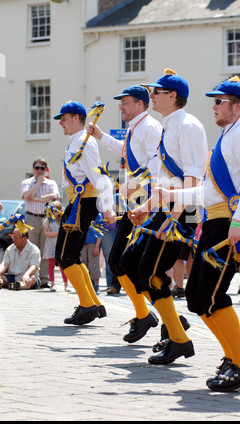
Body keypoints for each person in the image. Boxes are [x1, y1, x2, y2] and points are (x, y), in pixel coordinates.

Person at [158, 76, 240, 390]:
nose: (214, 106)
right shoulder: (228, 136)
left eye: (219, 101)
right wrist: (172, 196)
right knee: (196, 296)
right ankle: (233, 357)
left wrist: (238, 221)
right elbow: (208, 192)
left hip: (233, 223)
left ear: (238, 106)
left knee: (212, 295)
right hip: (218, 222)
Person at [125, 69, 208, 365]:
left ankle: (178, 337)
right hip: (166, 208)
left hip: (181, 210)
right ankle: (175, 331)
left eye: (157, 92)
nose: (152, 96)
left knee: (150, 273)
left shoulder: (188, 125)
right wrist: (146, 206)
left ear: (173, 96)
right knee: (136, 267)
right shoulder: (169, 125)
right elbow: (165, 178)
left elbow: (193, 179)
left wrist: (173, 218)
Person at [88, 85, 163, 342]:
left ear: (140, 104)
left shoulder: (150, 127)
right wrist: (101, 136)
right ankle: (148, 315)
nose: (121, 106)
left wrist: (139, 189)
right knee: (120, 261)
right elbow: (127, 152)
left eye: (125, 102)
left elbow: (157, 162)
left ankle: (159, 317)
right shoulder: (136, 128)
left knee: (128, 262)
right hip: (134, 200)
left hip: (145, 200)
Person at [53, 100, 116, 325]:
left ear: (77, 118)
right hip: (78, 203)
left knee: (64, 255)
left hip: (82, 204)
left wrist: (108, 208)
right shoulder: (76, 142)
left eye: (64, 117)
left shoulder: (85, 142)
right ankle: (93, 303)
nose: (60, 122)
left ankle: (88, 305)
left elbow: (101, 178)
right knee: (71, 254)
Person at [21, 157, 60, 287]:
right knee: (32, 248)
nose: (39, 170)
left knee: (45, 249)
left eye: (42, 168)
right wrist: (38, 184)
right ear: (33, 169)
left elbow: (55, 196)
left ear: (45, 169)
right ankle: (31, 277)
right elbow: (26, 196)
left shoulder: (51, 183)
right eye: (37, 168)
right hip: (31, 217)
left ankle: (44, 279)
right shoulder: (27, 182)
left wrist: (36, 198)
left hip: (46, 218)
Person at [43, 201, 69, 292]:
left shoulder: (62, 220)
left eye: (56, 210)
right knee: (51, 265)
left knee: (62, 265)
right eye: (52, 210)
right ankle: (52, 284)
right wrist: (58, 234)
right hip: (51, 245)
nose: (54, 212)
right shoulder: (47, 221)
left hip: (60, 244)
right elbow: (47, 233)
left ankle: (66, 284)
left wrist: (53, 234)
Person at [80, 227, 101, 294]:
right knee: (83, 265)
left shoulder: (98, 216)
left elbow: (100, 232)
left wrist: (97, 246)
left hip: (93, 243)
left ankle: (96, 286)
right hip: (82, 243)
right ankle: (84, 287)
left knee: (93, 264)